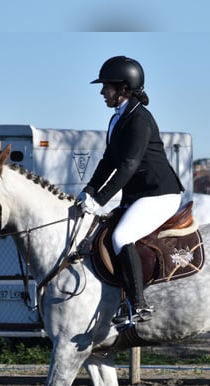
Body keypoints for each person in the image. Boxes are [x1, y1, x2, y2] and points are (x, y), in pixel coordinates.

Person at [77, 56, 184, 324]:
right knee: (103, 232)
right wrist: (89, 191)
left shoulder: (139, 120)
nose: (102, 92)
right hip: (139, 196)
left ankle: (138, 305)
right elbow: (108, 161)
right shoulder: (118, 118)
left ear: (124, 88)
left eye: (107, 86)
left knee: (122, 236)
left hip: (160, 194)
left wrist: (99, 200)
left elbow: (127, 166)